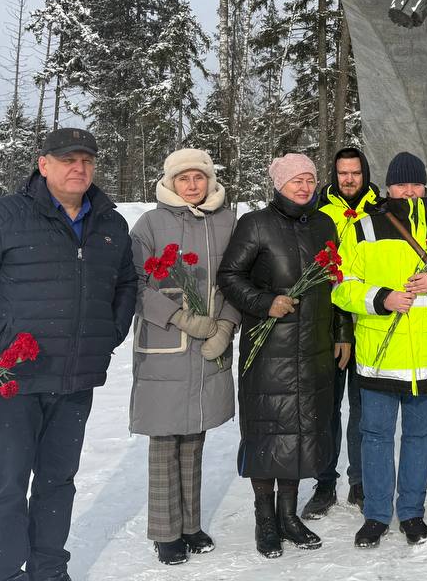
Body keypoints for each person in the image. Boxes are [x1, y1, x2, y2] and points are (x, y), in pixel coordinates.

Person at [0, 127, 138, 581]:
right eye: (68, 160)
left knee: (58, 482)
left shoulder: (110, 224)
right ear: (43, 164)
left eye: (87, 160)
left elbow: (126, 283)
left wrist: (108, 333)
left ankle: (49, 571)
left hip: (74, 380)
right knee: (8, 487)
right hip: (11, 380)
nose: (79, 168)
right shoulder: (2, 217)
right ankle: (3, 574)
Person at [332, 151, 427, 549]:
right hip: (380, 358)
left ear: (424, 185)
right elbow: (341, 284)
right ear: (388, 187)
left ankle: (411, 514)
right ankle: (376, 516)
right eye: (401, 184)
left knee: (420, 437)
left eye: (415, 183)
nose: (408, 190)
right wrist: (381, 298)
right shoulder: (364, 228)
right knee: (376, 437)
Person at [216, 154, 349, 559]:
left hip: (313, 348)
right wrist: (265, 302)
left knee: (299, 432)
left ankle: (288, 516)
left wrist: (342, 332)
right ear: (279, 184)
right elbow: (229, 276)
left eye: (310, 179)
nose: (304, 187)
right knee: (267, 432)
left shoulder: (324, 224)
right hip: (269, 348)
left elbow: (338, 280)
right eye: (296, 181)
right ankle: (265, 519)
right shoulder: (255, 224)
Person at [128, 148, 240, 565]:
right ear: (170, 182)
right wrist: (178, 316)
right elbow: (133, 283)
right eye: (183, 178)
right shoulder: (150, 224)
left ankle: (190, 525)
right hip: (166, 343)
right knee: (165, 438)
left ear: (210, 180)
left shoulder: (228, 222)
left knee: (194, 435)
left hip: (211, 341)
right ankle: (165, 531)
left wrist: (226, 325)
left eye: (199, 177)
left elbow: (240, 279)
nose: (192, 185)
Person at [302, 146, 380, 519]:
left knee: (364, 410)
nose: (349, 179)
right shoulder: (319, 212)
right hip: (327, 325)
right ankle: (324, 482)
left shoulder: (380, 213)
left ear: (365, 174)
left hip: (370, 325)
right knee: (326, 408)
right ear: (334, 175)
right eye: (343, 173)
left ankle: (360, 481)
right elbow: (319, 277)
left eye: (355, 173)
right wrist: (339, 329)